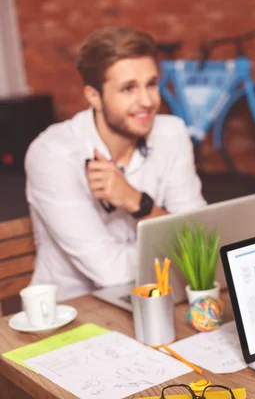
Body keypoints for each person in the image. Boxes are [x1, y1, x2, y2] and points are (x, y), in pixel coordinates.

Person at [25, 27, 206, 301]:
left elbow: (198, 239)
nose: (147, 101)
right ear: (94, 97)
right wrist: (175, 250)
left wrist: (138, 202)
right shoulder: (53, 154)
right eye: (128, 88)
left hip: (158, 296)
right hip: (73, 314)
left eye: (151, 83)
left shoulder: (172, 133)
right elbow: (109, 272)